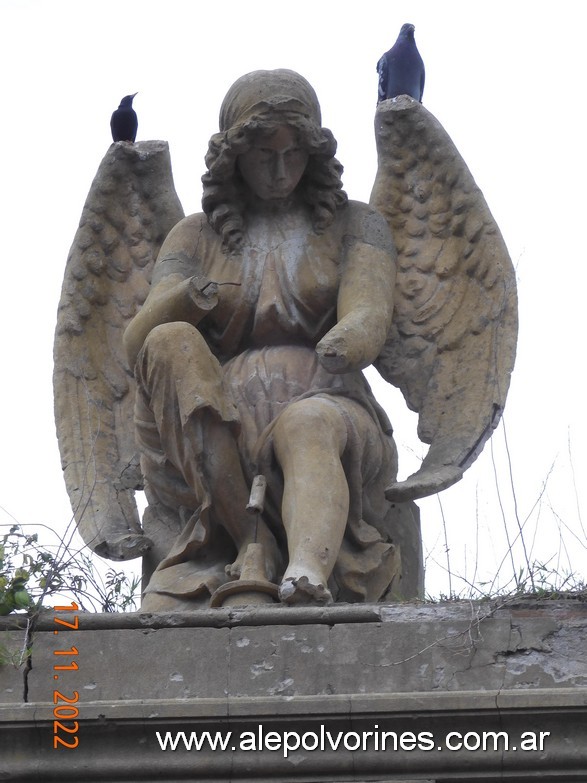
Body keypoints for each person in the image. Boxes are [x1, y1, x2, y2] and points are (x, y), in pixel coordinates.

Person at [123, 69, 401, 609]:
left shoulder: (357, 225)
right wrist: (183, 299)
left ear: (314, 154)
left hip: (333, 406)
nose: (280, 170)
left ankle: (306, 570)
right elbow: (137, 344)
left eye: (294, 154)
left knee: (308, 422)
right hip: (218, 423)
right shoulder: (193, 235)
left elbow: (370, 312)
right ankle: (250, 545)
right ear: (235, 156)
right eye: (264, 155)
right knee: (170, 341)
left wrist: (349, 339)